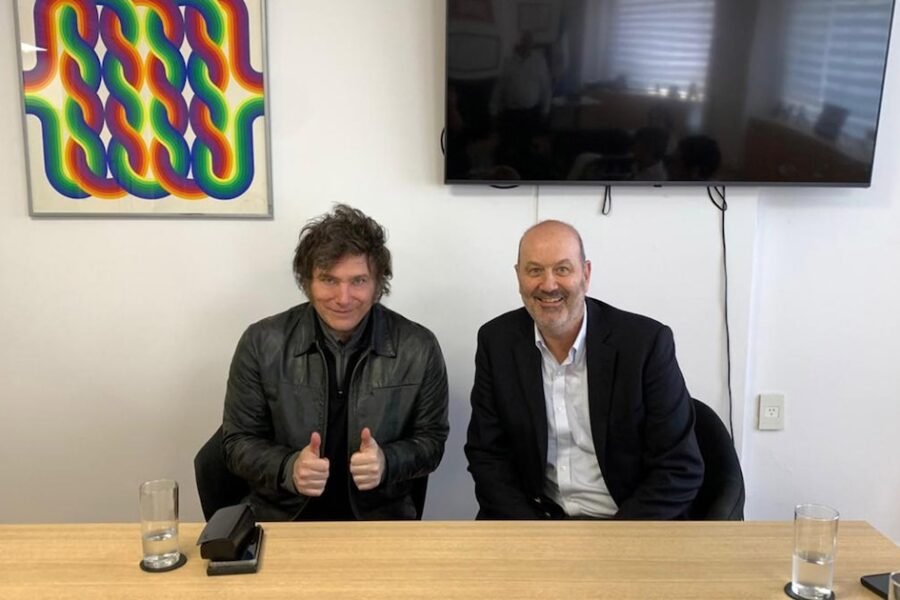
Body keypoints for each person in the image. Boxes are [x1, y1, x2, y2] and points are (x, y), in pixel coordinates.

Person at [223, 204, 449, 521]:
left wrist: (387, 461)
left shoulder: (418, 347)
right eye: (329, 280)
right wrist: (288, 467)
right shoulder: (261, 342)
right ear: (307, 282)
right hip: (282, 518)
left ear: (378, 283)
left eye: (358, 281)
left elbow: (432, 442)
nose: (343, 298)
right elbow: (236, 443)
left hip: (381, 520)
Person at [465, 220, 703, 519]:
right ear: (518, 276)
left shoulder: (644, 344)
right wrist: (534, 536)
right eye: (534, 270)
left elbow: (679, 468)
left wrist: (610, 545)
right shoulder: (496, 341)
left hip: (624, 522)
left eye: (562, 269)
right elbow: (487, 455)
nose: (548, 284)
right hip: (535, 521)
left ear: (585, 275)